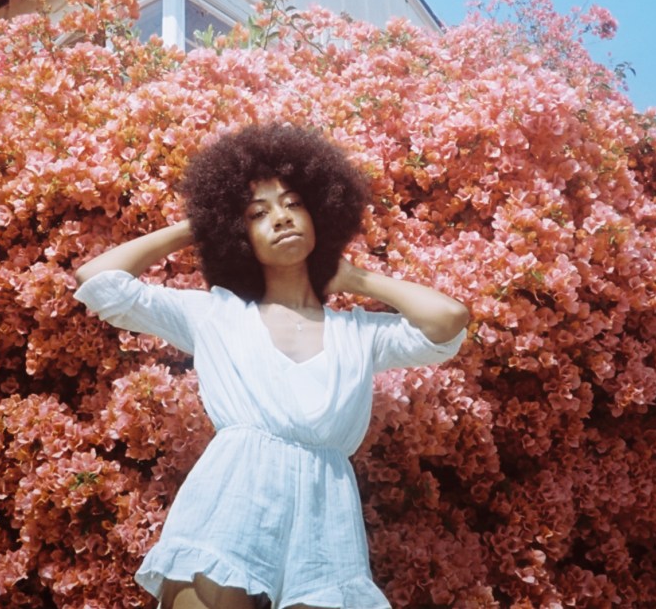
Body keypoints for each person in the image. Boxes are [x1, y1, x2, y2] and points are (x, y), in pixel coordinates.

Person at [74, 124, 469, 609]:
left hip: (325, 527)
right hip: (227, 508)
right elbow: (99, 280)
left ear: (320, 213)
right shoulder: (216, 314)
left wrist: (356, 279)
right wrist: (198, 225)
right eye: (256, 213)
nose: (280, 218)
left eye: (293, 204)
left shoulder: (359, 333)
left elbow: (447, 320)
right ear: (237, 233)